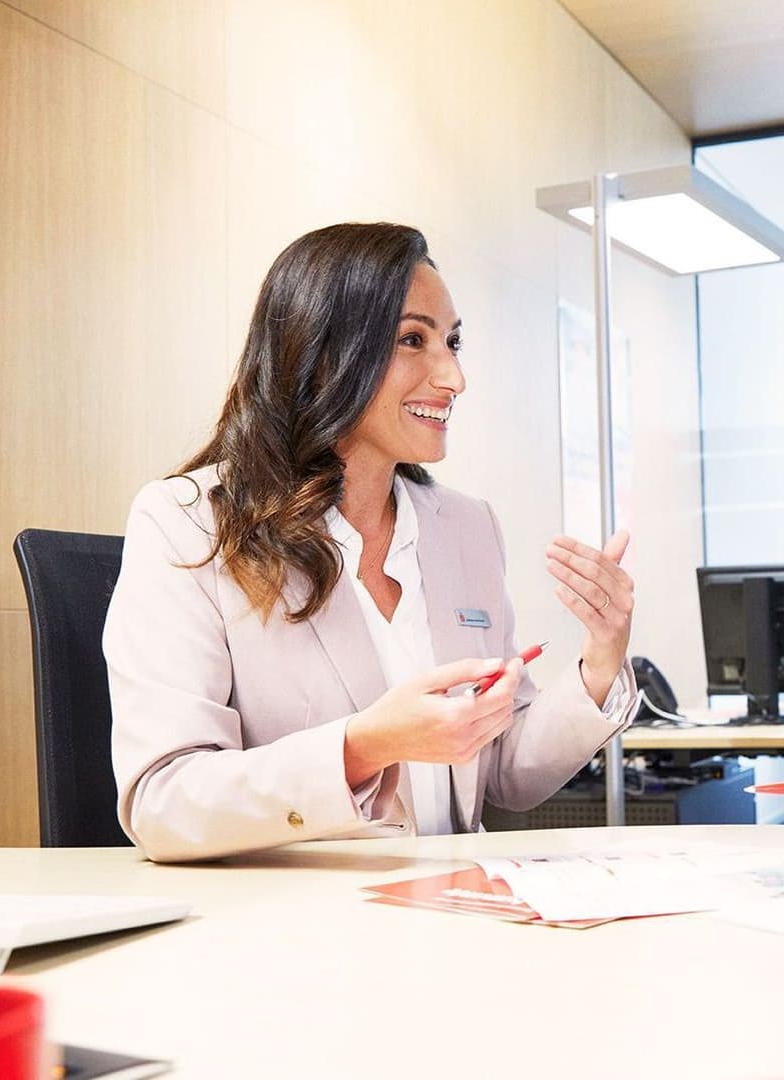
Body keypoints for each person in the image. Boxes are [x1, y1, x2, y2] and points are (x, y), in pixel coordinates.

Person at [106, 223, 638, 863]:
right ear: (323, 353)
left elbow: (503, 775)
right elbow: (164, 803)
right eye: (413, 340)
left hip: (455, 917)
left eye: (453, 341)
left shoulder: (467, 526)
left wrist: (602, 659)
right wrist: (363, 746)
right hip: (296, 933)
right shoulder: (191, 524)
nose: (454, 378)